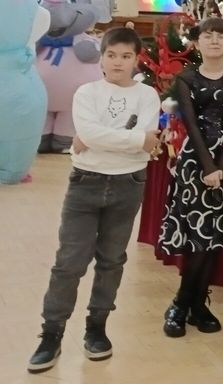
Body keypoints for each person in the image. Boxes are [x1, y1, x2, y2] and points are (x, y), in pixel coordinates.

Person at [28, 27, 162, 373]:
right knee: (69, 262)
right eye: (111, 55)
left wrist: (104, 138)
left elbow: (145, 139)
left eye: (126, 56)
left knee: (112, 260)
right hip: (85, 183)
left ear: (136, 60)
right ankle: (51, 334)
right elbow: (92, 133)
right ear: (101, 58)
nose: (118, 62)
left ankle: (97, 327)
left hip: (128, 183)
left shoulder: (147, 95)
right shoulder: (86, 92)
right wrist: (135, 139)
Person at [160, 18, 223, 338]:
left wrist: (221, 166)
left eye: (220, 36)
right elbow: (192, 124)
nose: (214, 41)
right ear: (197, 43)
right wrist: (209, 167)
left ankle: (196, 305)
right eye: (207, 36)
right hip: (195, 162)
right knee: (198, 237)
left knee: (215, 237)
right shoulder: (186, 77)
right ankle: (181, 303)